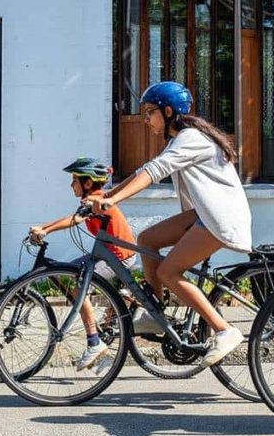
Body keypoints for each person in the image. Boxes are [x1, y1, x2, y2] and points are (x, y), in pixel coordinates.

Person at [86, 81, 252, 368]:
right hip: (203, 213)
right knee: (147, 239)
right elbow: (147, 169)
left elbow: (154, 171)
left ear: (167, 110)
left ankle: (224, 329)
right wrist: (110, 196)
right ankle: (154, 313)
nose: (146, 120)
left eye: (149, 112)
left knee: (168, 271)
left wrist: (113, 201)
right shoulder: (180, 140)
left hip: (220, 218)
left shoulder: (191, 138)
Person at [29, 157, 138, 371]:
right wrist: (43, 227)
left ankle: (94, 341)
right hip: (104, 255)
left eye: (74, 181)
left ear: (87, 183)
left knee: (79, 283)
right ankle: (101, 332)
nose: (71, 185)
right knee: (67, 274)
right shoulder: (91, 200)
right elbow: (74, 217)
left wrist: (45, 229)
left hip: (118, 257)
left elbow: (74, 220)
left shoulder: (95, 200)